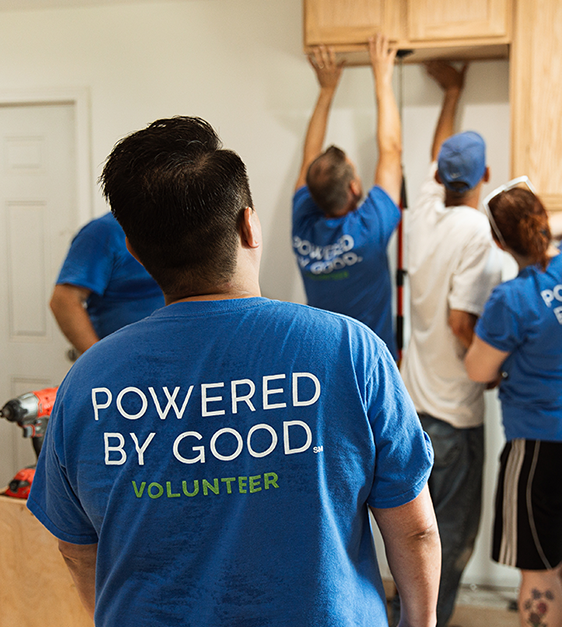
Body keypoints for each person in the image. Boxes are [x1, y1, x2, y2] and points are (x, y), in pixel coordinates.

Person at [26, 116, 440, 627]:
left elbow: (77, 550)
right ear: (250, 224)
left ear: (134, 251)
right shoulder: (351, 351)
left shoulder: (85, 385)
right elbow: (414, 528)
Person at [464, 184, 562, 627]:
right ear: (543, 220)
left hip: (542, 445)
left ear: (498, 243)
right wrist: (548, 223)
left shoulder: (512, 300)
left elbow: (478, 370)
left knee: (539, 566)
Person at [396, 61, 502, 627]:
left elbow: (443, 155)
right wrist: (494, 370)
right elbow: (464, 325)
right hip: (457, 417)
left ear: (439, 176)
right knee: (450, 544)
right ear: (487, 172)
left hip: (415, 407)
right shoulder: (477, 232)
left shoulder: (424, 216)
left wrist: (451, 94)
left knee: (413, 539)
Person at [291, 34, 402, 359]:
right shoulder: (369, 229)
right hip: (372, 362)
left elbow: (308, 158)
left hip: (322, 358)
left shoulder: (302, 224)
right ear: (354, 187)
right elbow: (392, 152)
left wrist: (326, 90)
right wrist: (382, 77)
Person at [50, 212, 164, 355]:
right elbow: (63, 301)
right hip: (123, 360)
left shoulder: (185, 227)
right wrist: (99, 361)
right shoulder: (102, 232)